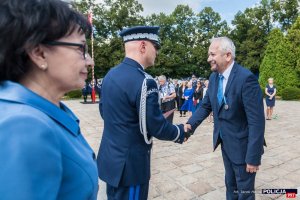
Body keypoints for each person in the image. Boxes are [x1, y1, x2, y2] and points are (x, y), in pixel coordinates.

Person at [0, 0, 98, 199]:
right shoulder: (24, 126)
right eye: (80, 48)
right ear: (39, 53)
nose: (90, 61)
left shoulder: (41, 110)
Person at [97, 26, 190, 200]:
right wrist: (180, 131)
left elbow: (104, 111)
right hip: (131, 167)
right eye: (155, 46)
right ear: (142, 46)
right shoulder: (145, 81)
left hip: (111, 161)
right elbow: (156, 127)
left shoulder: (110, 75)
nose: (157, 52)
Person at [184, 37, 266, 199]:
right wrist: (189, 125)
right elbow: (206, 106)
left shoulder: (246, 79)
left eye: (212, 54)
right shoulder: (214, 77)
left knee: (245, 192)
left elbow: (257, 122)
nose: (209, 59)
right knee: (231, 185)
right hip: (225, 144)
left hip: (243, 147)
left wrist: (253, 157)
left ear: (228, 56)